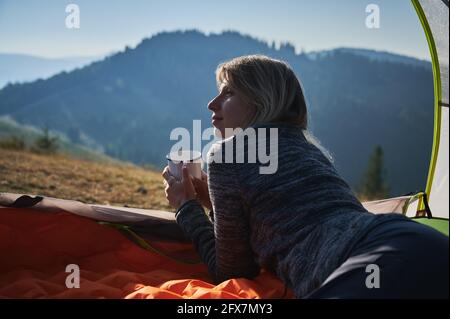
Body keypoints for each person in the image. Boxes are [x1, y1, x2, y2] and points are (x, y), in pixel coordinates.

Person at [162, 55, 448, 299]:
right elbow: (289, 218)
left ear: (260, 101)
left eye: (228, 93)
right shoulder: (307, 148)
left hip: (362, 263)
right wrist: (214, 205)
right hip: (418, 240)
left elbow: (233, 270)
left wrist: (186, 208)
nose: (212, 104)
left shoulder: (228, 154)